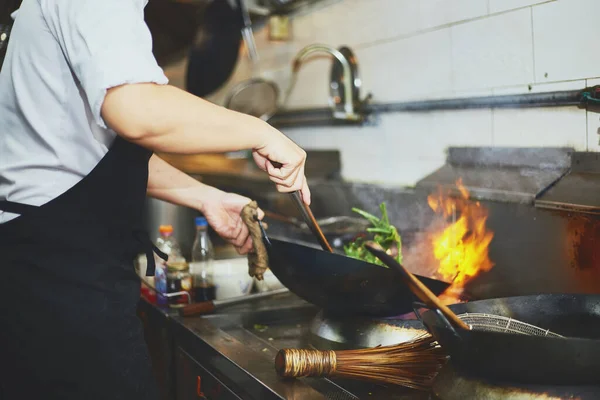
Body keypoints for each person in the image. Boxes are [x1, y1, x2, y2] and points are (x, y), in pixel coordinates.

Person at [0, 1, 310, 399]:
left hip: (42, 266)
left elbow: (89, 154)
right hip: (60, 279)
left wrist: (206, 197)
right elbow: (136, 110)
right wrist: (263, 133)